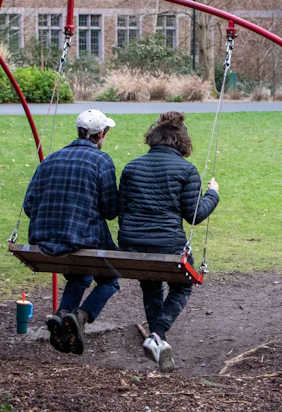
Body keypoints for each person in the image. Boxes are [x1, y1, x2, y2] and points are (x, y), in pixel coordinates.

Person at [118, 112, 219, 373]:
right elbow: (194, 215)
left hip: (132, 244)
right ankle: (157, 334)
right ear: (181, 142)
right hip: (167, 245)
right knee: (183, 285)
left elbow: (121, 209)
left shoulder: (131, 167)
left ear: (154, 138)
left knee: (151, 285)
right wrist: (213, 194)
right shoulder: (186, 169)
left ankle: (156, 342)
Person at [23, 109, 119, 355]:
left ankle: (62, 315)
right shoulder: (101, 160)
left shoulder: (51, 158)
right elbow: (110, 211)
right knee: (110, 279)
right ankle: (81, 316)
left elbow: (28, 206)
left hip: (43, 242)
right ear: (100, 134)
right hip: (79, 240)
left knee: (81, 275)